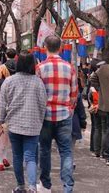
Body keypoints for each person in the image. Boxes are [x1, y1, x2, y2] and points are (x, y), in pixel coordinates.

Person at [0, 51, 47, 193]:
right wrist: (40, 120)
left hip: (14, 125)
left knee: (17, 156)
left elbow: (3, 104)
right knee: (30, 157)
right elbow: (43, 104)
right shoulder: (38, 82)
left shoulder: (9, 81)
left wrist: (0, 122)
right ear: (33, 65)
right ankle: (32, 187)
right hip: (33, 125)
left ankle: (20, 186)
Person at [36, 35, 78, 193]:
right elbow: (74, 93)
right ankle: (68, 187)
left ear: (45, 47)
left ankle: (45, 185)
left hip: (45, 115)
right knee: (66, 151)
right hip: (64, 114)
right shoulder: (69, 67)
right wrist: (69, 109)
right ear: (60, 48)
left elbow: (37, 93)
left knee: (44, 150)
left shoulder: (39, 68)